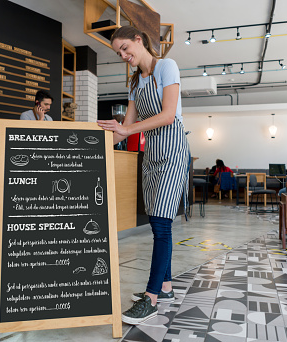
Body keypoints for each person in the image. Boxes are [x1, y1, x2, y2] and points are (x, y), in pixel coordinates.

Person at [97, 25, 190, 325]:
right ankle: (165, 287)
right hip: (152, 155)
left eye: (125, 48)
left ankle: (150, 298)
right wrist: (85, 142)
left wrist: (126, 130)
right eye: (118, 53)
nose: (123, 55)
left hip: (174, 150)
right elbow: (123, 127)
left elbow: (167, 115)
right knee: (157, 223)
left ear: (139, 40)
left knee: (162, 224)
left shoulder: (167, 67)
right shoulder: (136, 83)